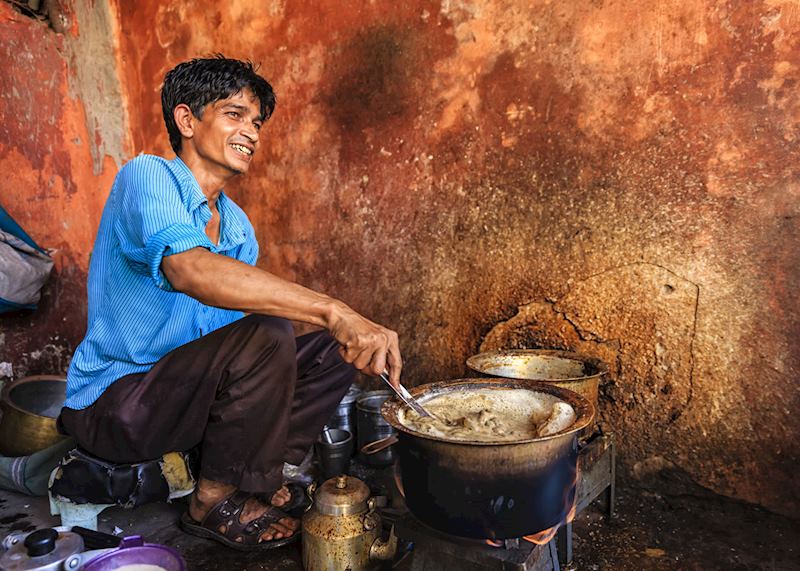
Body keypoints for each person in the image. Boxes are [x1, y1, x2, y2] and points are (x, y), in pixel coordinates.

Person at [57, 56, 402, 551]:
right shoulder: (148, 176)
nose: (253, 132)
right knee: (272, 333)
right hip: (120, 406)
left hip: (186, 405)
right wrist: (333, 308)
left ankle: (259, 475)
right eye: (235, 114)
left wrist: (336, 325)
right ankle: (211, 502)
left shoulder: (238, 228)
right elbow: (189, 270)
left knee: (329, 349)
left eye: (257, 121)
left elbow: (240, 365)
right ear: (187, 120)